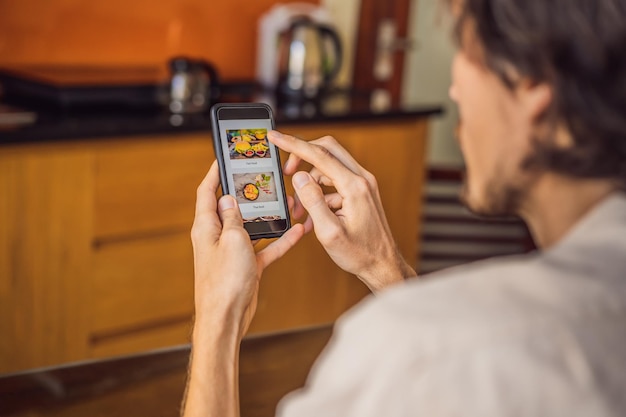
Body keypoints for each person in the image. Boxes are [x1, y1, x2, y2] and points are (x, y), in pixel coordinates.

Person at [182, 0, 626, 415]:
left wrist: (217, 317)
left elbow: (443, 355)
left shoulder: (407, 347)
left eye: (466, 51)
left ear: (532, 85)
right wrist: (383, 266)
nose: (452, 89)